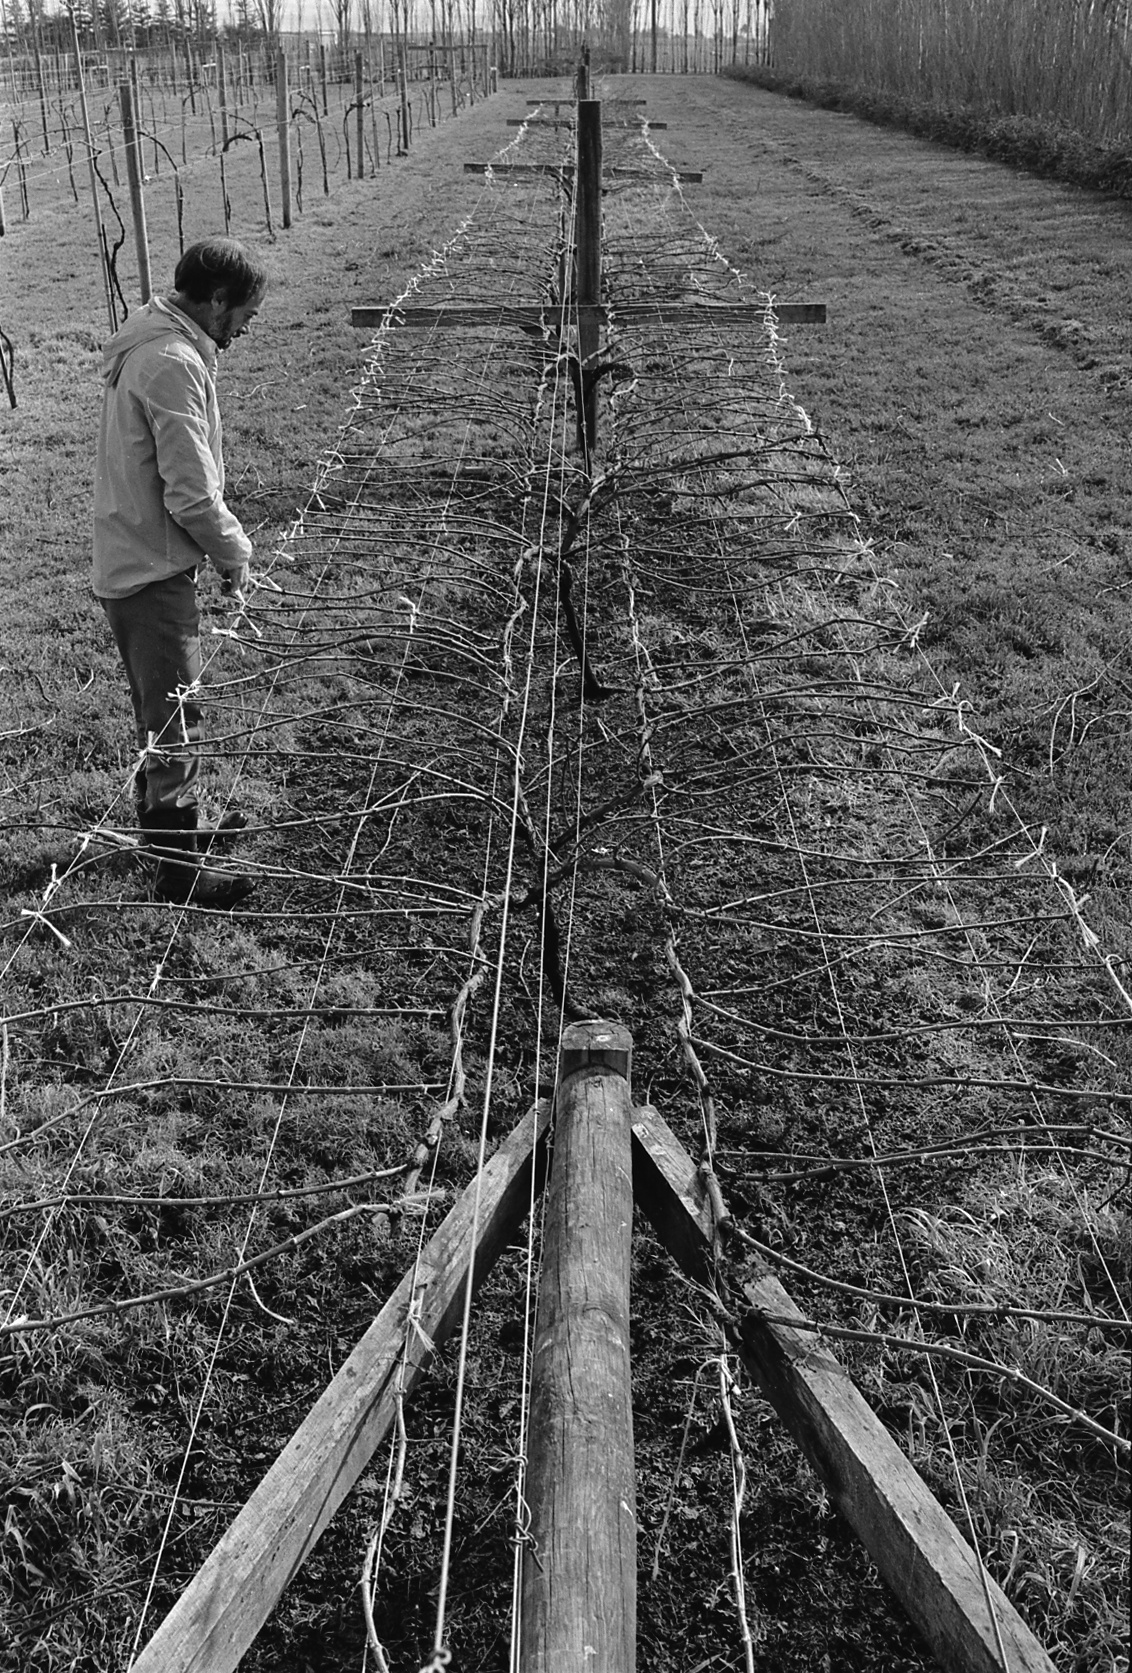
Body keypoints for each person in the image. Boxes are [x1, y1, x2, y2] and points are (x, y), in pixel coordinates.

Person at [92, 238, 267, 907]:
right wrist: (235, 553)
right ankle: (178, 870)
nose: (245, 327)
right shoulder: (169, 361)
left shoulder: (159, 338)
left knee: (161, 710)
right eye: (242, 312)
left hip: (141, 553)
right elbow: (190, 494)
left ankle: (172, 838)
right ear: (215, 299)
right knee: (174, 716)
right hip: (149, 566)